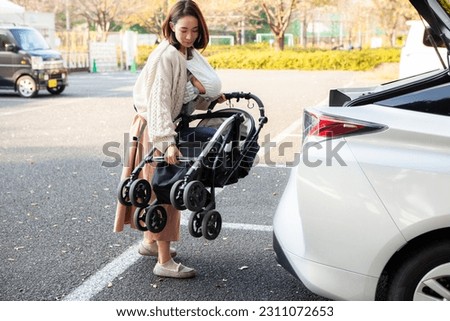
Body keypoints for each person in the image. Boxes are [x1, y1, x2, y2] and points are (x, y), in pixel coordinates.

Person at [114, 0, 225, 279]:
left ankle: (150, 243)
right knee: (166, 190)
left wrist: (208, 98)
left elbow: (180, 96)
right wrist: (166, 141)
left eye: (195, 31)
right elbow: (160, 103)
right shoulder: (168, 56)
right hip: (155, 128)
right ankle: (164, 262)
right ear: (171, 27)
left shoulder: (181, 53)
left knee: (154, 187)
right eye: (184, 30)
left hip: (152, 126)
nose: (189, 36)